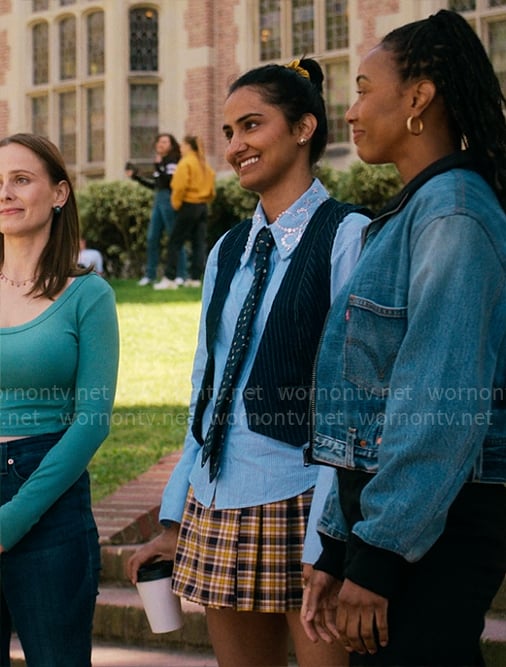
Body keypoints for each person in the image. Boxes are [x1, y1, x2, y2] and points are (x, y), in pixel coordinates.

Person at [127, 58, 371, 667]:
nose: (236, 146)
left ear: (304, 127)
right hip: (217, 496)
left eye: (252, 126)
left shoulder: (349, 236)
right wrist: (175, 515)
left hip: (305, 494)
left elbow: (361, 402)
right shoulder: (227, 249)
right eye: (230, 132)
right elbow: (204, 388)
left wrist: (333, 535)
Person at [300, 10, 506, 667]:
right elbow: (370, 401)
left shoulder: (453, 215)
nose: (351, 110)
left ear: (418, 98)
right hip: (397, 523)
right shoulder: (414, 212)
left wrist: (381, 553)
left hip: (438, 525)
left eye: (363, 88)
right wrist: (338, 544)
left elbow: (436, 402)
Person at [0, 133, 120, 666]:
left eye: (21, 179)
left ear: (59, 193)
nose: (5, 192)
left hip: (48, 497)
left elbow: (91, 421)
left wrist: (14, 517)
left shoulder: (87, 295)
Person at [153, 135, 215, 290]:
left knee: (175, 241)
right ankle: (195, 279)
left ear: (188, 146)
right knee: (198, 243)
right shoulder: (203, 163)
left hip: (188, 205)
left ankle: (169, 278)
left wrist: (176, 203)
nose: (180, 148)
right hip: (202, 206)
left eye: (182, 145)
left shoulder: (186, 163)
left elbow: (179, 186)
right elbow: (212, 186)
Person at [126, 132, 186, 287]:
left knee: (174, 236)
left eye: (165, 142)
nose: (161, 144)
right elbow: (156, 184)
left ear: (171, 145)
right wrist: (136, 177)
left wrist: (159, 165)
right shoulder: (161, 162)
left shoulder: (173, 160)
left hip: (169, 198)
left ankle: (181, 274)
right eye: (159, 141)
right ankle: (150, 275)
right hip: (158, 199)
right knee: (152, 237)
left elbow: (169, 181)